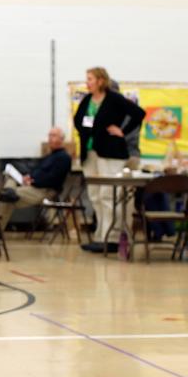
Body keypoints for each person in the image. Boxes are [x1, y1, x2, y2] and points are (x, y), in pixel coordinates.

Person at [74, 67, 145, 253]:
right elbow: (78, 120)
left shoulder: (114, 99)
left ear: (100, 80)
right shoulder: (87, 100)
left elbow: (139, 114)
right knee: (95, 195)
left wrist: (123, 131)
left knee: (109, 195)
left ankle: (112, 237)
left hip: (111, 153)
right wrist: (86, 131)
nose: (87, 82)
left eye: (90, 79)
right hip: (90, 152)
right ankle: (100, 235)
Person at [0, 127, 73, 229]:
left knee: (7, 199)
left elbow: (53, 179)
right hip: (33, 186)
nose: (50, 138)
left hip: (44, 190)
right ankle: (9, 191)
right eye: (49, 135)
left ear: (61, 139)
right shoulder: (49, 156)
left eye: (53, 136)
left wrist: (34, 181)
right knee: (10, 181)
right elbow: (37, 171)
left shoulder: (64, 158)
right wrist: (29, 177)